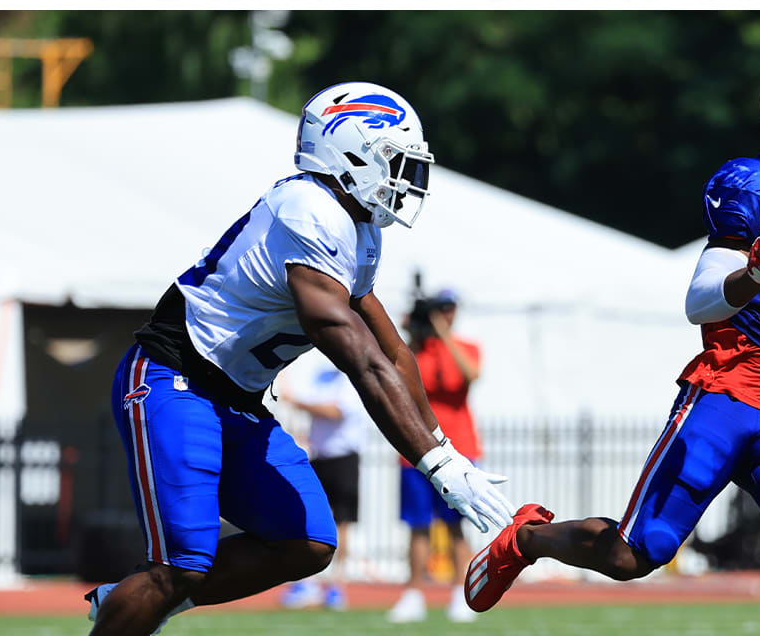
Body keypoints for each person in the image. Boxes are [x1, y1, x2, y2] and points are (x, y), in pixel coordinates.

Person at [462, 49, 760, 636]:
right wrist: (753, 274)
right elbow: (700, 300)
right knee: (632, 555)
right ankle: (529, 537)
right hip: (725, 398)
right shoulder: (755, 188)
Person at [84, 82, 515, 636]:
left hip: (236, 398)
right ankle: (147, 595)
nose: (405, 179)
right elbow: (356, 356)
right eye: (395, 161)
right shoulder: (307, 208)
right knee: (180, 564)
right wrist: (437, 464)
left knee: (307, 540)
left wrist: (443, 449)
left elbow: (391, 350)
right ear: (349, 151)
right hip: (177, 378)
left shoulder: (357, 230)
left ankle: (130, 598)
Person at [387, 288, 484, 623]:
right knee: (417, 527)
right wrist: (412, 332)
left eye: (449, 308)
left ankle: (461, 593)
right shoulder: (416, 349)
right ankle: (413, 594)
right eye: (439, 310)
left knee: (456, 527)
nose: (444, 314)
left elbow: (471, 375)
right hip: (416, 451)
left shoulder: (466, 347)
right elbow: (392, 374)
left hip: (460, 450)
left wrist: (443, 333)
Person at [275, 353, 369, 612]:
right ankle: (309, 583)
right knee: (312, 519)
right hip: (320, 457)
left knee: (343, 523)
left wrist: (297, 401)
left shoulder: (352, 380)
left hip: (343, 458)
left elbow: (335, 411)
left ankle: (337, 586)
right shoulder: (321, 377)